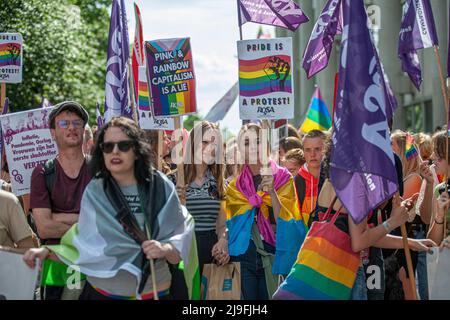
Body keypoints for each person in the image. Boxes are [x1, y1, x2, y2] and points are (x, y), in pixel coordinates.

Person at [24, 117, 196, 300]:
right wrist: (48, 252)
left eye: (123, 145)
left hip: (153, 291)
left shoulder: (160, 185)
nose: (115, 151)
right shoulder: (95, 190)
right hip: (103, 293)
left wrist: (163, 248)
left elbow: (178, 246)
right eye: (108, 147)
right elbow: (83, 241)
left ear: (137, 150)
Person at [226, 123, 307, 300]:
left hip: (274, 254)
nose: (253, 147)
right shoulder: (235, 187)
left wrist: (272, 193)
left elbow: (287, 221)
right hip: (244, 254)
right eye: (247, 143)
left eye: (257, 141)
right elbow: (232, 226)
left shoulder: (283, 177)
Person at [29, 101, 92, 300]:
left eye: (77, 123)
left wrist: (58, 217)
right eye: (64, 124)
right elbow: (45, 228)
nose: (71, 127)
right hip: (56, 264)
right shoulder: (42, 172)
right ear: (53, 132)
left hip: (94, 263)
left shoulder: (101, 170)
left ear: (83, 130)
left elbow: (106, 221)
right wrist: (86, 223)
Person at [178, 121, 229, 281]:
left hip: (211, 252)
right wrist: (179, 202)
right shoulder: (175, 179)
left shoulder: (220, 182)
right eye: (204, 142)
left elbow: (222, 224)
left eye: (214, 143)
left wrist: (223, 242)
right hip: (183, 250)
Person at [390, 130, 430, 300]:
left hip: (407, 240)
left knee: (409, 292)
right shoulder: (402, 177)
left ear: (401, 152)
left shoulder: (414, 178)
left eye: (391, 144)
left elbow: (398, 208)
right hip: (396, 240)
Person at [295, 129, 327, 227]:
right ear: (303, 152)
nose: (312, 154)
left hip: (331, 237)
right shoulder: (297, 181)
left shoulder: (335, 178)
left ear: (327, 149)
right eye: (308, 150)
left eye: (317, 149)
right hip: (305, 238)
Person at [428, 130, 450, 248]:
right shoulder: (439, 190)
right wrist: (440, 217)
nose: (432, 157)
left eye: (437, 153)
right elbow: (432, 244)